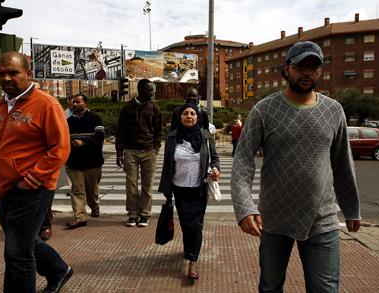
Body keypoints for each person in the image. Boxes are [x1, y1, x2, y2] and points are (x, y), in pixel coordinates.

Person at [231, 41, 361, 293]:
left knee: (325, 289)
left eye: (314, 66)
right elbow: (243, 160)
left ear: (320, 71)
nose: (307, 72)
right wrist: (244, 207)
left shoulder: (334, 111)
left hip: (322, 219)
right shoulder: (264, 110)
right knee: (270, 287)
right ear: (287, 68)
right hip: (274, 218)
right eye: (301, 65)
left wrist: (352, 209)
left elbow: (343, 163)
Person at [0, 52, 72, 292]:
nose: (6, 78)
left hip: (32, 189)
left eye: (13, 72)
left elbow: (60, 149)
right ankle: (58, 270)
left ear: (28, 74)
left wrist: (32, 179)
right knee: (24, 241)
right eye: (2, 74)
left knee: (17, 253)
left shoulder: (46, 104)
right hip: (6, 189)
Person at [158, 102, 220, 283]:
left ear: (198, 117)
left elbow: (214, 158)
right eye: (185, 113)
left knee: (196, 225)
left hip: (199, 188)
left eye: (193, 113)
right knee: (186, 224)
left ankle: (193, 260)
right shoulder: (172, 138)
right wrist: (167, 190)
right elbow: (167, 165)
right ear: (180, 117)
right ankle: (190, 249)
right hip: (179, 188)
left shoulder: (206, 137)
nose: (189, 116)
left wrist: (215, 169)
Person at [116, 79, 163, 227]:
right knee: (131, 186)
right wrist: (119, 153)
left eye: (152, 90)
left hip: (149, 151)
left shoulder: (155, 108)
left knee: (147, 186)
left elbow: (159, 130)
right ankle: (132, 214)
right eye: (149, 90)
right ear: (140, 89)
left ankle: (144, 214)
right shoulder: (127, 108)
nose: (152, 93)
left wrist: (156, 148)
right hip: (130, 151)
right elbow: (120, 131)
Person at [66, 93, 105, 229]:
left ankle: (94, 206)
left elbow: (99, 136)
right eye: (73, 102)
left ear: (85, 103)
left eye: (78, 102)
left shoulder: (95, 118)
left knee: (91, 190)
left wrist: (83, 142)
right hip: (74, 162)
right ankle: (80, 217)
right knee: (77, 190)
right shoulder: (69, 121)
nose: (75, 104)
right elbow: (63, 138)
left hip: (92, 162)